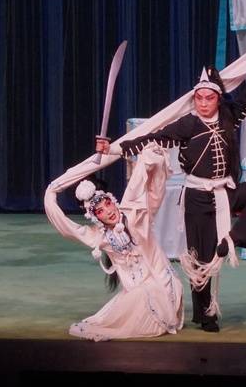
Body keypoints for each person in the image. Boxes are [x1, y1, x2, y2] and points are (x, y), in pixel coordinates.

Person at [97, 35, 246, 332]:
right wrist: (113, 148)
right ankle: (206, 315)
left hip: (226, 191)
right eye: (199, 98)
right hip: (197, 198)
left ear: (218, 98)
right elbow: (151, 137)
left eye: (209, 98)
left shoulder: (229, 117)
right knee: (199, 256)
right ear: (194, 99)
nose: (204, 103)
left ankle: (235, 239)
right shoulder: (188, 124)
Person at [44, 144, 183, 341]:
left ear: (113, 201)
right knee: (138, 298)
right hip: (136, 291)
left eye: (107, 204)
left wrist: (148, 157)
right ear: (95, 217)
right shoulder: (99, 236)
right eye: (100, 211)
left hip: (162, 283)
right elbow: (68, 228)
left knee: (148, 296)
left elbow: (149, 190)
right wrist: (50, 198)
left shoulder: (135, 216)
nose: (108, 212)